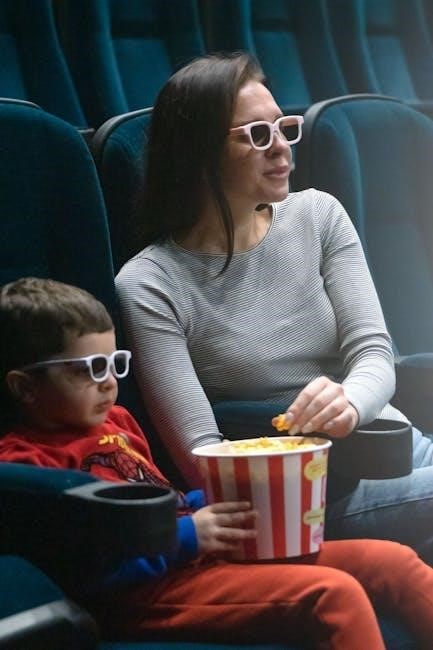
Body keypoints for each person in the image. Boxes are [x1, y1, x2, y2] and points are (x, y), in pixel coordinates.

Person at [115, 52, 433, 564]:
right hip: (306, 495)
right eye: (258, 135)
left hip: (391, 443)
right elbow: (202, 457)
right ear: (199, 154)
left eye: (284, 128)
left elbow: (374, 352)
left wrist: (349, 404)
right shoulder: (150, 283)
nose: (282, 147)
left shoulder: (319, 215)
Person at [4, 278, 433, 648]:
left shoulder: (116, 420)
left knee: (392, 561)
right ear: (25, 387)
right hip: (145, 594)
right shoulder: (22, 466)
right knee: (333, 594)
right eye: (89, 369)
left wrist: (205, 504)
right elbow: (82, 566)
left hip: (196, 559)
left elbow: (159, 496)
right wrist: (188, 535)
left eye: (115, 364)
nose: (109, 383)